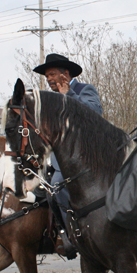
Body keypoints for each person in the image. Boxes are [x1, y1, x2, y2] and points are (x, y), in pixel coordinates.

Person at [32, 54, 103, 256]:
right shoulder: (51, 99)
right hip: (57, 158)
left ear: (66, 74)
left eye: (52, 74)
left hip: (83, 157)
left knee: (58, 185)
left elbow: (94, 113)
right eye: (47, 76)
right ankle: (53, 234)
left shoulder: (84, 90)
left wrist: (69, 94)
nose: (49, 79)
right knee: (38, 190)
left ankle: (74, 236)